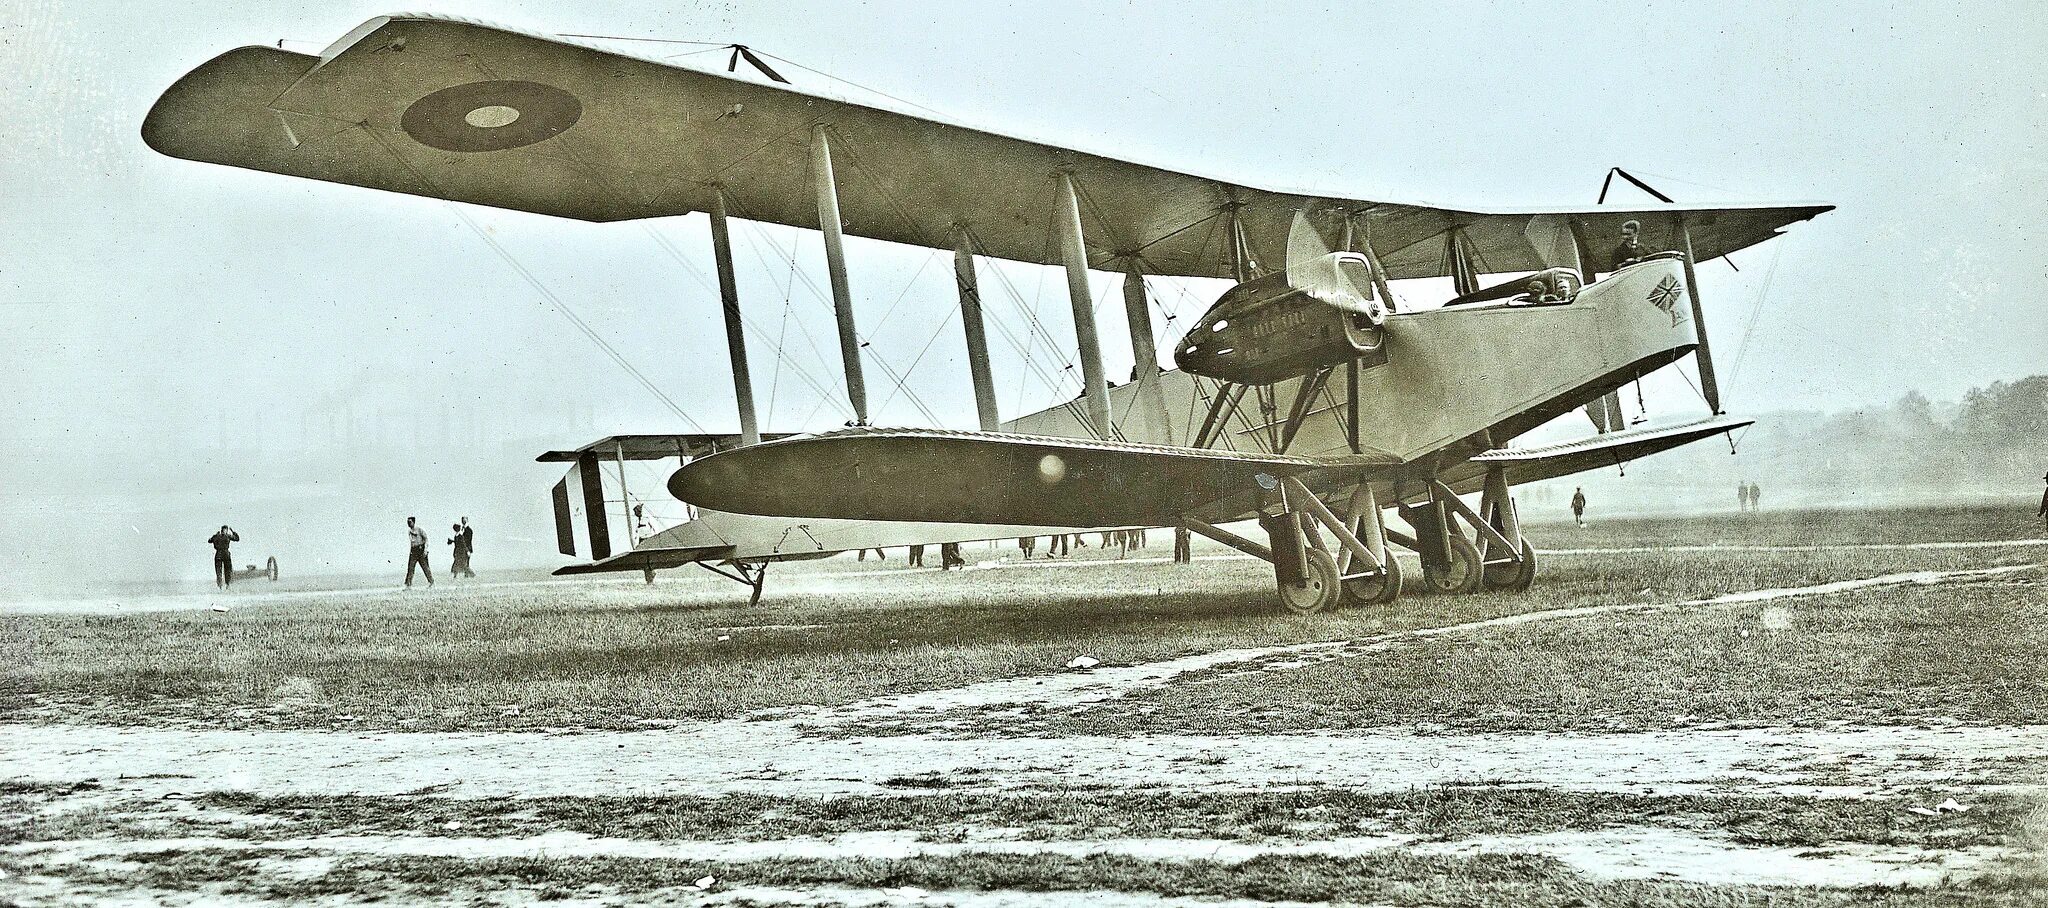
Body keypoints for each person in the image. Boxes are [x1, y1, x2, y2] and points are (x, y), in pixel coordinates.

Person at [207, 525, 240, 590]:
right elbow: (237, 538)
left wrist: (215, 535)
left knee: (218, 571)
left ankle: (220, 586)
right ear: (226, 530)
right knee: (227, 570)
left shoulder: (216, 536)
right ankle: (227, 585)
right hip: (226, 554)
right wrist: (233, 531)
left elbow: (209, 541)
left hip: (218, 554)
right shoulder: (228, 536)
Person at [405, 516, 433, 588]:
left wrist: (425, 550)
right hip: (413, 550)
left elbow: (426, 539)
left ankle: (431, 582)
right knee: (411, 567)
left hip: (420, 550)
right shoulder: (409, 532)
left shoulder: (419, 530)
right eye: (408, 522)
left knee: (425, 567)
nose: (409, 524)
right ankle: (408, 584)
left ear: (413, 522)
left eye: (410, 522)